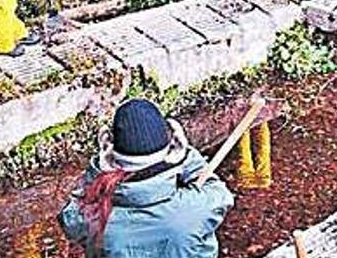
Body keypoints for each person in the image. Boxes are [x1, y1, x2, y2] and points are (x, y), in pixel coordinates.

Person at [58, 98, 234, 258]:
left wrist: (99, 170)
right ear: (172, 148)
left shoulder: (92, 219)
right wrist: (187, 157)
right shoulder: (196, 207)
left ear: (111, 153)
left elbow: (69, 217)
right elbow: (220, 193)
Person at [236, 121, 272, 189]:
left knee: (263, 153)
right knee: (245, 155)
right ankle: (246, 126)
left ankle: (261, 123)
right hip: (250, 181)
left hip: (250, 181)